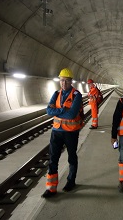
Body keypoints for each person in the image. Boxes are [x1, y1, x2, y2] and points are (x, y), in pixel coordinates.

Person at [42, 68, 85, 198]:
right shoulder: (56, 94)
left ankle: (71, 181)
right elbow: (48, 111)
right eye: (61, 80)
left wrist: (58, 110)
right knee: (53, 158)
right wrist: (63, 110)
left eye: (66, 81)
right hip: (56, 131)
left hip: (71, 132)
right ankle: (51, 188)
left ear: (71, 81)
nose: (63, 83)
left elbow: (72, 115)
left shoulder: (77, 95)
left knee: (71, 157)